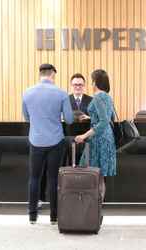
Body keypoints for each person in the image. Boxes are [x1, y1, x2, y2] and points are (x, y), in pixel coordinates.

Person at [22, 63, 74, 225]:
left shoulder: (27, 93)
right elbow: (70, 119)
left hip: (36, 140)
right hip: (55, 141)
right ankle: (54, 216)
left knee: (34, 178)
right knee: (53, 179)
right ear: (52, 74)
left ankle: (32, 216)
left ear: (40, 74)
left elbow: (26, 117)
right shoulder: (61, 94)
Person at [39, 73, 93, 206]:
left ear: (84, 86)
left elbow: (96, 120)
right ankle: (64, 196)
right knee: (63, 168)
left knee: (83, 169)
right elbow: (56, 116)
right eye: (75, 85)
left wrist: (88, 118)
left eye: (80, 85)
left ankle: (83, 196)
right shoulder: (65, 99)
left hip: (85, 140)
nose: (78, 87)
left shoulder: (91, 100)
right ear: (71, 85)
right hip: (65, 138)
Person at [74, 69, 116, 201]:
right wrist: (90, 116)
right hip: (107, 138)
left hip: (99, 139)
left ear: (95, 82)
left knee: (91, 174)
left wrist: (84, 136)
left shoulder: (98, 97)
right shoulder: (107, 97)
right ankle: (96, 208)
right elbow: (108, 117)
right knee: (99, 176)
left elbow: (103, 121)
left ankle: (92, 207)